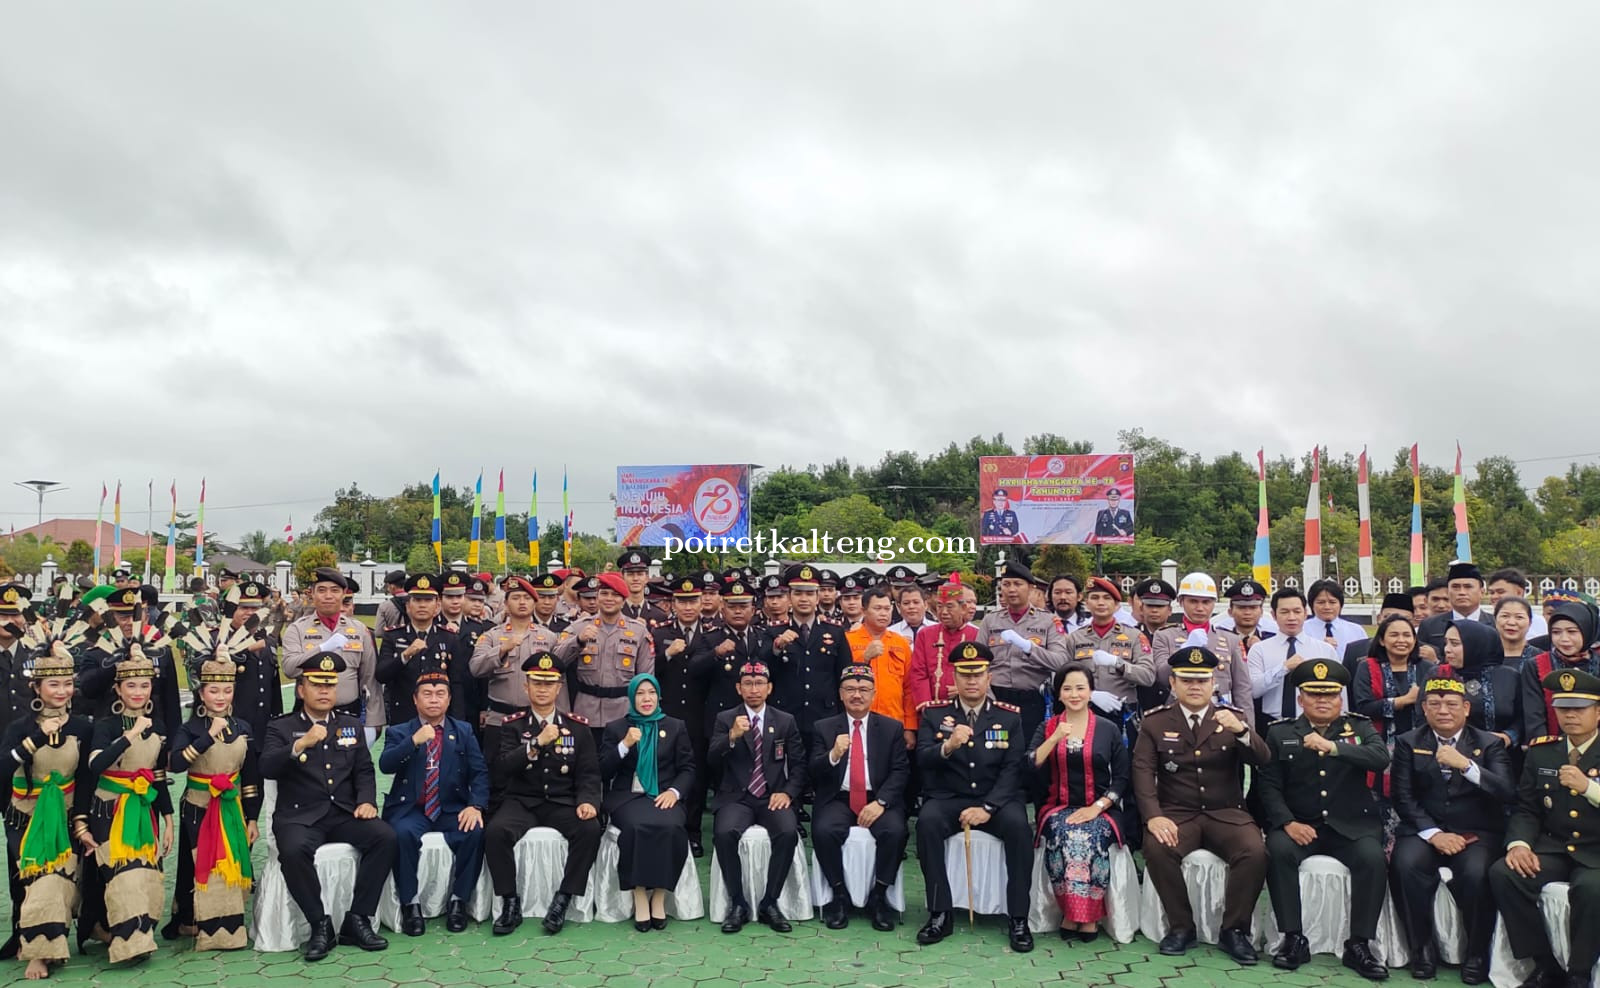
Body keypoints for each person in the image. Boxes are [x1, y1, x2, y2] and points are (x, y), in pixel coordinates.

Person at [1133, 643, 1267, 965]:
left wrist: (1244, 732)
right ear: (1173, 683)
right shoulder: (1154, 722)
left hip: (1226, 812)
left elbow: (1263, 759)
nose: (1195, 686)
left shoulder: (1233, 718)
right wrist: (1153, 817)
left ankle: (1234, 931)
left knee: (1255, 852)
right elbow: (1142, 773)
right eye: (1187, 680)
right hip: (1178, 813)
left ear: (1213, 684)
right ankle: (1181, 927)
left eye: (1202, 680)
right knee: (1156, 847)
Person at [1258, 659, 1390, 980]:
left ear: (1340, 699)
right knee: (1278, 851)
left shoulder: (1358, 728)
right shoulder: (1281, 732)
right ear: (1301, 699)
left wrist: (1333, 747)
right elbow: (1268, 786)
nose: (1322, 701)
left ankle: (1359, 944)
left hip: (1351, 825)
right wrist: (1287, 822)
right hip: (1301, 823)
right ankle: (1293, 938)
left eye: (1330, 695)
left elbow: (1380, 758)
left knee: (1372, 858)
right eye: (1314, 695)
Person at [260, 653, 395, 961]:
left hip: (343, 812)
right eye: (316, 685)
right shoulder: (281, 727)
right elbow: (266, 766)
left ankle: (358, 919)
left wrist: (366, 801)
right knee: (292, 851)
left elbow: (363, 770)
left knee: (385, 837)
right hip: (300, 815)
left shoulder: (349, 725)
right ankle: (319, 923)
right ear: (300, 690)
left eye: (330, 686)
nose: (324, 692)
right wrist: (299, 745)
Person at [1389, 677, 1514, 984]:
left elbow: (1506, 791)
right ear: (1425, 709)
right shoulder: (1409, 741)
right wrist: (1433, 833)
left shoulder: (1489, 743)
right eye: (1435, 704)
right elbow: (1402, 796)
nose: (1443, 710)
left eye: (1451, 704)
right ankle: (1422, 949)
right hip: (1425, 829)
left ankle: (1476, 953)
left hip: (1477, 832)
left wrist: (1467, 766)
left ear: (1466, 708)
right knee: (1405, 865)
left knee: (1476, 873)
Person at [914, 642, 1034, 953]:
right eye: (964, 675)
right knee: (926, 823)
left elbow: (1013, 768)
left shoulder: (1009, 718)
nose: (971, 681)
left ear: (988, 678)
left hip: (995, 799)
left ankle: (1019, 916)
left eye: (977, 674)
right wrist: (949, 745)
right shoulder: (934, 714)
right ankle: (940, 913)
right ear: (954, 678)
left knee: (1020, 828)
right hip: (949, 797)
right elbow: (922, 759)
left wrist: (988, 807)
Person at [1489, 668, 1600, 988]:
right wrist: (1519, 844)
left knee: (1592, 890)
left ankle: (1578, 972)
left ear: (1598, 711)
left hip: (1596, 851)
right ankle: (1544, 964)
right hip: (1554, 846)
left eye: (1579, 709)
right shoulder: (1542, 751)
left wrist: (1589, 788)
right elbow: (1527, 808)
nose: (1571, 716)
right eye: (1564, 709)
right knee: (1504, 873)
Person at [485, 652, 601, 935]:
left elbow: (589, 773)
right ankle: (510, 902)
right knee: (495, 832)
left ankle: (563, 899)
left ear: (559, 687)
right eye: (536, 683)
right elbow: (502, 768)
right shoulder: (512, 725)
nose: (542, 689)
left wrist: (588, 801)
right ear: (526, 686)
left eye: (549, 684)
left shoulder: (577, 727)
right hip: (522, 801)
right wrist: (535, 743)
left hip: (560, 801)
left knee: (589, 829)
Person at [3, 640, 92, 980]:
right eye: (53, 684)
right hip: (25, 816)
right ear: (37, 687)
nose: (62, 691)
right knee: (37, 880)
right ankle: (36, 952)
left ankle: (50, 944)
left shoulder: (82, 726)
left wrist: (81, 821)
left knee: (61, 881)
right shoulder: (20, 728)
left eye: (68, 683)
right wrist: (35, 740)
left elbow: (85, 778)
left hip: (67, 815)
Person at [81, 648, 174, 965]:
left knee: (148, 874)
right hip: (110, 810)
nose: (138, 692)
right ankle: (126, 943)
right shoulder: (106, 726)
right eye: (131, 685)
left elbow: (158, 776)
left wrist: (169, 819)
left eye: (144, 685)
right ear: (118, 689)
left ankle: (138, 935)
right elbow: (96, 766)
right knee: (123, 876)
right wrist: (130, 735)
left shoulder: (158, 725)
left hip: (144, 809)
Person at [379, 670, 487, 936]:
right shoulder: (400, 731)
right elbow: (385, 765)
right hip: (412, 809)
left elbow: (479, 771)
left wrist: (476, 805)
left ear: (449, 700)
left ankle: (459, 902)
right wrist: (413, 742)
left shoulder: (462, 730)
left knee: (474, 831)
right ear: (415, 700)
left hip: (450, 807)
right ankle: (410, 905)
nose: (434, 700)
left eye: (440, 694)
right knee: (401, 834)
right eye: (427, 694)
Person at [167, 655, 261, 951]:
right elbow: (176, 764)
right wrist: (208, 735)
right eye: (213, 691)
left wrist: (253, 818)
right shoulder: (191, 728)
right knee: (200, 864)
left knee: (229, 864)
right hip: (199, 806)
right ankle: (193, 918)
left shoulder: (243, 727)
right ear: (201, 693)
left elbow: (250, 777)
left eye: (227, 690)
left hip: (232, 808)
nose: (221, 697)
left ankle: (228, 923)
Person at [1030, 666, 1129, 942]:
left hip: (1101, 808)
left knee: (1089, 835)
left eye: (1080, 688)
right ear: (1058, 694)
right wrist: (1054, 739)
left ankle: (1089, 915)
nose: (1074, 694)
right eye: (1067, 688)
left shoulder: (1108, 729)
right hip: (1057, 806)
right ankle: (1070, 913)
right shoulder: (1048, 726)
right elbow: (1030, 764)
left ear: (1091, 692)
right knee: (1064, 833)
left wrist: (1097, 807)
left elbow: (1122, 778)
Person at [809, 664, 909, 932]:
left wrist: (881, 803)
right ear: (840, 694)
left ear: (874, 694)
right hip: (838, 798)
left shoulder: (891, 728)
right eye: (850, 689)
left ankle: (880, 896)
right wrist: (833, 755)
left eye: (863, 689)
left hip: (877, 797)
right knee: (823, 830)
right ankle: (839, 895)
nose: (857, 695)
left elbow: (901, 771)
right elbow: (813, 771)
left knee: (896, 831)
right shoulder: (823, 727)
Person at [707, 661, 806, 934]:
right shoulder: (726, 718)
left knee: (787, 833)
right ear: (739, 688)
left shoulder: (784, 720)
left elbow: (798, 765)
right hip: (737, 797)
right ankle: (737, 904)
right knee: (725, 833)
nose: (754, 689)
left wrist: (787, 792)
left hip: (772, 796)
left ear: (769, 687)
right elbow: (711, 760)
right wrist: (732, 737)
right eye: (748, 684)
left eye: (759, 683)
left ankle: (770, 903)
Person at [600, 674, 695, 931]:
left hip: (664, 795)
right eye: (640, 693)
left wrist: (674, 792)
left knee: (672, 827)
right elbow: (603, 771)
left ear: (659, 696)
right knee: (636, 828)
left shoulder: (675, 726)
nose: (646, 699)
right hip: (627, 797)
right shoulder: (617, 727)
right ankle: (639, 893)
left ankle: (660, 896)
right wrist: (624, 745)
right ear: (632, 697)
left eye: (651, 693)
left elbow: (687, 768)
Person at [1350, 613, 1437, 850]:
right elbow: (1363, 707)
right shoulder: (1367, 668)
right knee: (1380, 802)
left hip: (1419, 746)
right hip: (1378, 746)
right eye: (1394, 634)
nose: (1402, 640)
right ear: (1381, 640)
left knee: (1416, 797)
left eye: (1407, 635)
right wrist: (1403, 701)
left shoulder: (1427, 668)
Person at [470, 576, 563, 780]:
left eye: (527, 598)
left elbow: (559, 679)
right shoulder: (491, 636)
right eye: (516, 597)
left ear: (534, 602)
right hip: (500, 719)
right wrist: (502, 650)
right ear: (505, 603)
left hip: (537, 720)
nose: (522, 602)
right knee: (497, 776)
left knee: (539, 774)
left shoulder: (548, 637)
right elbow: (476, 668)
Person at [650, 575, 715, 858]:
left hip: (701, 717)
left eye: (693, 601)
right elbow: (646, 673)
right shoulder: (659, 633)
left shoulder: (713, 633)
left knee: (698, 778)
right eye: (682, 601)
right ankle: (668, 828)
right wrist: (666, 654)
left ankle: (693, 832)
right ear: (672, 603)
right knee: (667, 774)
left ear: (703, 602)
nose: (688, 607)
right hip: (669, 716)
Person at [280, 567, 383, 741]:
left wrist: (373, 723)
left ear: (344, 594)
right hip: (307, 716)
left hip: (349, 713)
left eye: (335, 591)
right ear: (312, 594)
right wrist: (322, 649)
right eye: (321, 590)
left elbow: (370, 679)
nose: (328, 596)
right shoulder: (297, 629)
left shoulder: (359, 630)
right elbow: (289, 669)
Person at [762, 564, 852, 763]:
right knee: (787, 771)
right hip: (785, 715)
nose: (804, 599)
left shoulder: (835, 631)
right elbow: (761, 670)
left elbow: (844, 674)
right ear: (789, 597)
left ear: (818, 597)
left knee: (823, 769)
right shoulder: (774, 631)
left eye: (810, 593)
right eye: (798, 593)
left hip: (825, 715)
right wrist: (777, 647)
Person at [977, 559, 1072, 743]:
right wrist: (987, 696)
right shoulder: (990, 621)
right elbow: (980, 662)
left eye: (1017, 584)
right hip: (996, 696)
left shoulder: (1048, 622)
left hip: (1033, 699)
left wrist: (1029, 648)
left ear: (1031, 588)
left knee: (1030, 753)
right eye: (1006, 584)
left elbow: (1061, 661)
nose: (1011, 589)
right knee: (997, 750)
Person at [555, 572, 655, 736]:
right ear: (598, 597)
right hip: (586, 711)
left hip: (623, 712)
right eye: (604, 593)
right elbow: (556, 662)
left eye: (615, 595)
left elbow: (646, 678)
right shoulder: (579, 628)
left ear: (623, 600)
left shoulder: (638, 632)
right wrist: (578, 641)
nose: (609, 599)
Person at [1151, 573, 1254, 728]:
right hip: (1179, 713)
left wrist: (1247, 729)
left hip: (1221, 713)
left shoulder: (1230, 639)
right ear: (1181, 601)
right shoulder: (1164, 636)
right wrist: (1183, 651)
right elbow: (1161, 677)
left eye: (1206, 602)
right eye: (1193, 601)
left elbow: (1242, 688)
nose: (1200, 608)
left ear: (1214, 603)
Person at [1065, 577, 1154, 731]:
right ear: (1086, 602)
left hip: (1123, 712)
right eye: (1094, 597)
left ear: (1117, 604)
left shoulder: (1135, 636)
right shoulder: (1074, 637)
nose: (1100, 603)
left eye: (1107, 598)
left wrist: (1118, 663)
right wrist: (1088, 694)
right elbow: (1060, 677)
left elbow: (1148, 676)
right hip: (1084, 710)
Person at [375, 573, 459, 726]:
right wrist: (404, 656)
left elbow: (457, 682)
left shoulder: (449, 637)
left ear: (437, 606)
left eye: (428, 600)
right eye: (417, 600)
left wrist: (457, 719)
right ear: (408, 606)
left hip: (439, 716)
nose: (422, 605)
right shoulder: (393, 635)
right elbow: (381, 675)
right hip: (403, 714)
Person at [1246, 588, 1336, 727]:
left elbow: (1338, 693)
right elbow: (1254, 690)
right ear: (1274, 615)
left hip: (1314, 723)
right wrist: (1284, 668)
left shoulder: (1324, 650)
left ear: (1306, 614)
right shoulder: (1259, 650)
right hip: (1271, 723)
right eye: (1284, 612)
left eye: (1297, 611)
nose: (1291, 617)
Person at [1521, 601, 1600, 744]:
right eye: (1556, 632)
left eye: (1572, 632)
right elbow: (1534, 717)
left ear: (1587, 630)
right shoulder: (1536, 665)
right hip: (1552, 749)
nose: (1564, 639)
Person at [847, 587, 914, 744]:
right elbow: (841, 678)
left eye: (887, 608)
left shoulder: (900, 643)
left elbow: (909, 688)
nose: (883, 613)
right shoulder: (848, 640)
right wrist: (864, 658)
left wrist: (910, 727)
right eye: (877, 608)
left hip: (894, 722)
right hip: (858, 721)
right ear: (864, 611)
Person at [1442, 616, 1522, 748]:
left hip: (1502, 752)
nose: (1447, 649)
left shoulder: (1509, 676)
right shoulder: (1440, 675)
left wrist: (1509, 737)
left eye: (1455, 644)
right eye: (1446, 643)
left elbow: (1523, 717)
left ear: (1475, 645)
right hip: (1451, 750)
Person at [907, 575, 979, 712]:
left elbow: (982, 674)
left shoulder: (976, 635)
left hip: (966, 708)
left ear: (963, 608)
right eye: (940, 606)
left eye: (950, 606)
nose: (944, 612)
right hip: (930, 709)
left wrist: (965, 689)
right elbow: (918, 673)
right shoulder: (925, 634)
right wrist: (926, 705)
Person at [1418, 562, 1492, 655]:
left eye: (1468, 587)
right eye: (1455, 587)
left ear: (1482, 592)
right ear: (1448, 592)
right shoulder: (1429, 626)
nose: (1462, 592)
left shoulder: (1496, 624)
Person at [1344, 593, 1416, 676]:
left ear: (1413, 623)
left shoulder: (1424, 653)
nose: (1397, 623)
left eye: (1404, 619)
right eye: (1389, 618)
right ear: (1379, 618)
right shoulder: (1355, 650)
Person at [1305, 579, 1368, 654]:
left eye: (1332, 602)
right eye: (1321, 602)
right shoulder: (1302, 630)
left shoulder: (1356, 631)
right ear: (1311, 605)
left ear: (1340, 604)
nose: (1327, 607)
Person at [1487, 567, 1549, 639]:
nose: (1494, 596)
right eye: (1491, 593)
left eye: (1500, 592)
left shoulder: (1539, 622)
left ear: (1519, 592)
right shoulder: (1485, 622)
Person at [1496, 595, 1541, 668]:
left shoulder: (1540, 659)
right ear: (1495, 620)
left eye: (1519, 617)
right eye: (1505, 616)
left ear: (1530, 623)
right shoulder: (1483, 656)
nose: (1511, 622)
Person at [372, 570, 408, 642]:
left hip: (392, 645)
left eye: (388, 586)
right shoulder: (414, 602)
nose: (388, 589)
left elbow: (378, 633)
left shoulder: (384, 606)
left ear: (392, 586)